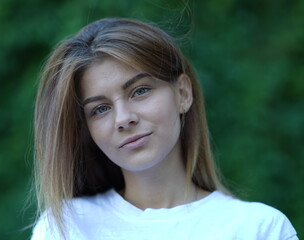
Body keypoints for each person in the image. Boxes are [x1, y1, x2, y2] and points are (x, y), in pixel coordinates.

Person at [31, 18, 298, 239]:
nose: (123, 118)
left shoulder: (260, 229)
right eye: (100, 109)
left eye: (140, 91)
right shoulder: (66, 227)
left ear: (182, 93)